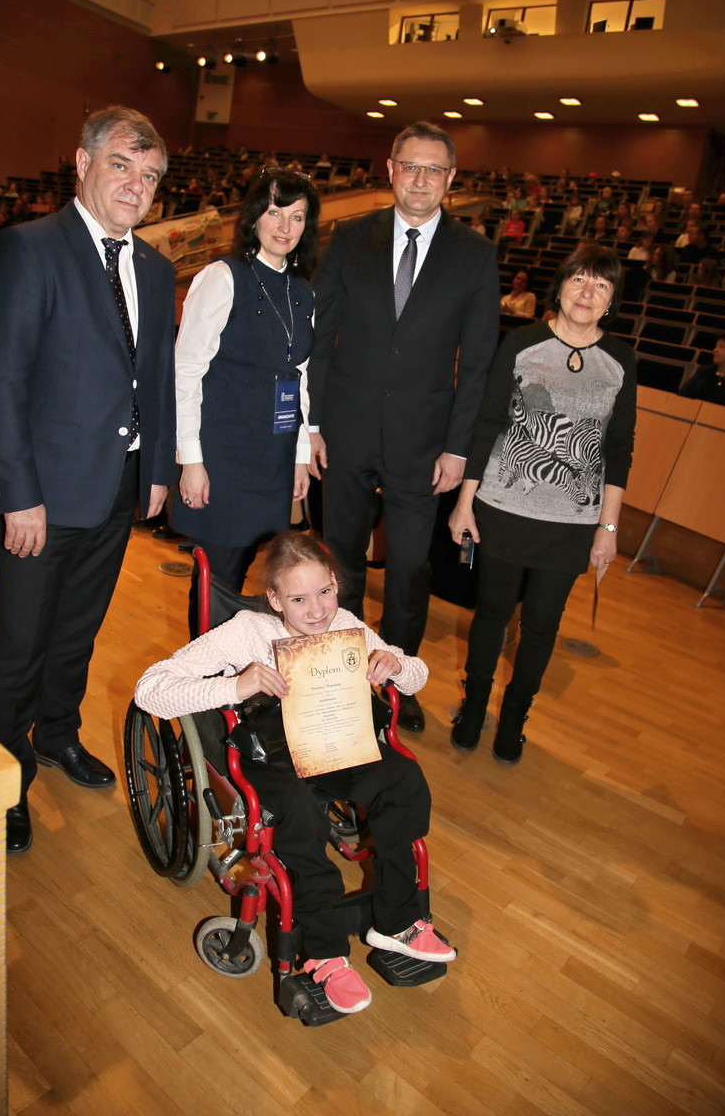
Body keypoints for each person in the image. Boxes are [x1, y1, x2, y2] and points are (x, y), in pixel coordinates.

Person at [134, 532, 456, 1016]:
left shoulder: (346, 625)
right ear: (274, 599)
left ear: (336, 585)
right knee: (302, 815)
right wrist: (233, 685)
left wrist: (395, 664)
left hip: (336, 742)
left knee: (404, 780)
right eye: (299, 599)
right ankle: (324, 953)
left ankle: (396, 922)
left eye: (325, 592)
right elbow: (149, 689)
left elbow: (417, 676)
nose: (317, 610)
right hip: (272, 756)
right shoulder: (248, 631)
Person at [0, 105, 177, 855]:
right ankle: (1, 778)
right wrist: (16, 493)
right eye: (122, 165)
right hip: (43, 494)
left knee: (77, 632)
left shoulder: (155, 268)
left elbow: (155, 378)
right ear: (83, 162)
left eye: (149, 176)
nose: (135, 185)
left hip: (117, 486)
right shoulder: (28, 250)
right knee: (19, 645)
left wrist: (156, 469)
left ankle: (57, 733)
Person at [308, 121, 499, 733]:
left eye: (433, 169)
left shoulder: (475, 254)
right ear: (390, 170)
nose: (421, 179)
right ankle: (338, 672)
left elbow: (478, 364)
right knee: (339, 559)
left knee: (411, 567)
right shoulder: (349, 237)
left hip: (425, 441)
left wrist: (459, 449)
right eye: (410, 166)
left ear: (451, 178)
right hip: (346, 427)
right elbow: (320, 336)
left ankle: (396, 680)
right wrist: (313, 423)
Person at [448, 245, 637, 763]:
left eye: (601, 285)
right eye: (579, 279)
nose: (587, 293)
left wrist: (608, 528)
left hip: (572, 522)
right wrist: (465, 503)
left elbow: (620, 447)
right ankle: (474, 706)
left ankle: (514, 719)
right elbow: (489, 423)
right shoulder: (522, 343)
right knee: (492, 615)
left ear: (611, 301)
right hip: (504, 507)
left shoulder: (621, 360)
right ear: (559, 287)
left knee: (541, 625)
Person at [170, 169, 319, 599]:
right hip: (222, 457)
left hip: (273, 459)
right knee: (218, 581)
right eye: (274, 212)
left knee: (257, 579)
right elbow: (185, 371)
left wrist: (300, 456)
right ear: (254, 216)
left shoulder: (303, 291)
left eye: (296, 217)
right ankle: (208, 648)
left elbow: (300, 379)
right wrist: (191, 460)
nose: (284, 226)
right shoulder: (222, 276)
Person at [679, 334, 725, 409]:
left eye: (721, 347)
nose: (715, 350)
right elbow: (684, 394)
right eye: (716, 347)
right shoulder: (705, 371)